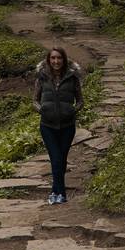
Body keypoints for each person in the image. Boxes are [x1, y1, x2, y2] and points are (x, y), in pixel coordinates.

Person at [33, 45, 83, 204]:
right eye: (53, 58)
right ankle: (59, 193)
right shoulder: (42, 77)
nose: (56, 61)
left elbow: (80, 101)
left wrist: (72, 111)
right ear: (49, 60)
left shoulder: (72, 77)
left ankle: (56, 192)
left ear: (64, 59)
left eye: (59, 58)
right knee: (55, 159)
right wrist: (42, 111)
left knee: (61, 159)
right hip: (47, 126)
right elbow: (34, 100)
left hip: (67, 126)